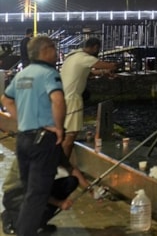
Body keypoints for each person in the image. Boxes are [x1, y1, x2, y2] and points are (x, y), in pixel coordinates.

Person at [1, 36, 66, 236]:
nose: (56, 53)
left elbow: (6, 99)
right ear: (44, 50)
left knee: (29, 189)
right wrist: (59, 127)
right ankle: (25, 231)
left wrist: (21, 121)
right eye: (54, 49)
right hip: (42, 139)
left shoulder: (23, 75)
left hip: (23, 139)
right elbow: (57, 100)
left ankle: (27, 226)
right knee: (38, 193)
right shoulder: (49, 74)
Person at [2, 148, 93, 234]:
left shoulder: (54, 146)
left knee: (71, 182)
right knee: (34, 214)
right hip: (17, 194)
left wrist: (90, 188)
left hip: (37, 189)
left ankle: (40, 222)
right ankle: (10, 218)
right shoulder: (34, 152)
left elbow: (70, 168)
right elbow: (35, 189)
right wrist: (59, 203)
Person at [58, 37, 119, 160]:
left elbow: (88, 73)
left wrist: (103, 72)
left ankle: (60, 164)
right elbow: (109, 66)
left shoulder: (72, 56)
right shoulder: (85, 58)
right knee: (71, 135)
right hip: (72, 100)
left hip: (61, 98)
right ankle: (62, 166)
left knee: (63, 134)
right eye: (98, 49)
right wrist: (114, 66)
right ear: (95, 47)